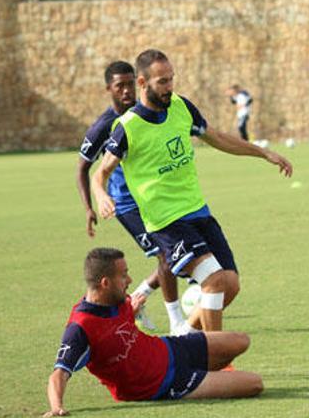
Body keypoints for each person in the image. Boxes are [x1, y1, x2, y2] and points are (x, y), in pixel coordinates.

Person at [92, 49, 293, 334]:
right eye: (162, 81)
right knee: (214, 280)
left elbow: (217, 137)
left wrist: (262, 153)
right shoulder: (128, 127)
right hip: (166, 222)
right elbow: (99, 173)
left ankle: (182, 340)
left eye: (171, 79)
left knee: (230, 285)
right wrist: (101, 195)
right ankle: (213, 362)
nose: (169, 87)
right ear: (142, 83)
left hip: (198, 211)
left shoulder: (181, 107)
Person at [43, 247, 263, 417]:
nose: (129, 281)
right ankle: (203, 381)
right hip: (167, 382)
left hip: (171, 348)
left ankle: (208, 375)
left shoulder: (116, 300)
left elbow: (121, 322)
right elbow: (59, 373)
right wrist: (56, 407)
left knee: (241, 341)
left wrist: (133, 309)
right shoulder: (80, 328)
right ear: (105, 283)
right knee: (254, 384)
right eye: (124, 275)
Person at [75, 61, 185, 333]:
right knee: (166, 256)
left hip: (153, 198)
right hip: (126, 205)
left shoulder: (146, 113)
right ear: (108, 89)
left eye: (129, 84)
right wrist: (90, 206)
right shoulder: (104, 126)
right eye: (119, 86)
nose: (126, 91)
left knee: (178, 254)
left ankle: (139, 297)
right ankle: (177, 322)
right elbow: (82, 167)